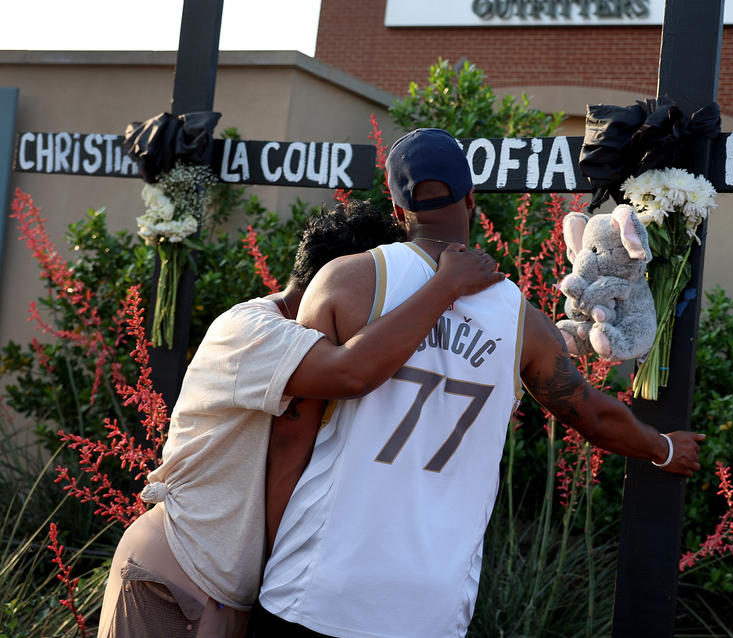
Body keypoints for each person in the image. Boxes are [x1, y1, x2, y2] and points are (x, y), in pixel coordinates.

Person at [255, 128, 705, 638]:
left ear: (399, 211)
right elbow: (595, 415)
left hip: (315, 587)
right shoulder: (522, 320)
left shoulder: (344, 281)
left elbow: (293, 434)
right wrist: (662, 448)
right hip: (431, 605)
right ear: (472, 198)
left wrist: (269, 555)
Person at [97, 199, 504, 638]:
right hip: (175, 573)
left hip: (231, 591)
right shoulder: (254, 331)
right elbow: (352, 370)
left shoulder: (301, 339)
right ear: (341, 280)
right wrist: (444, 286)